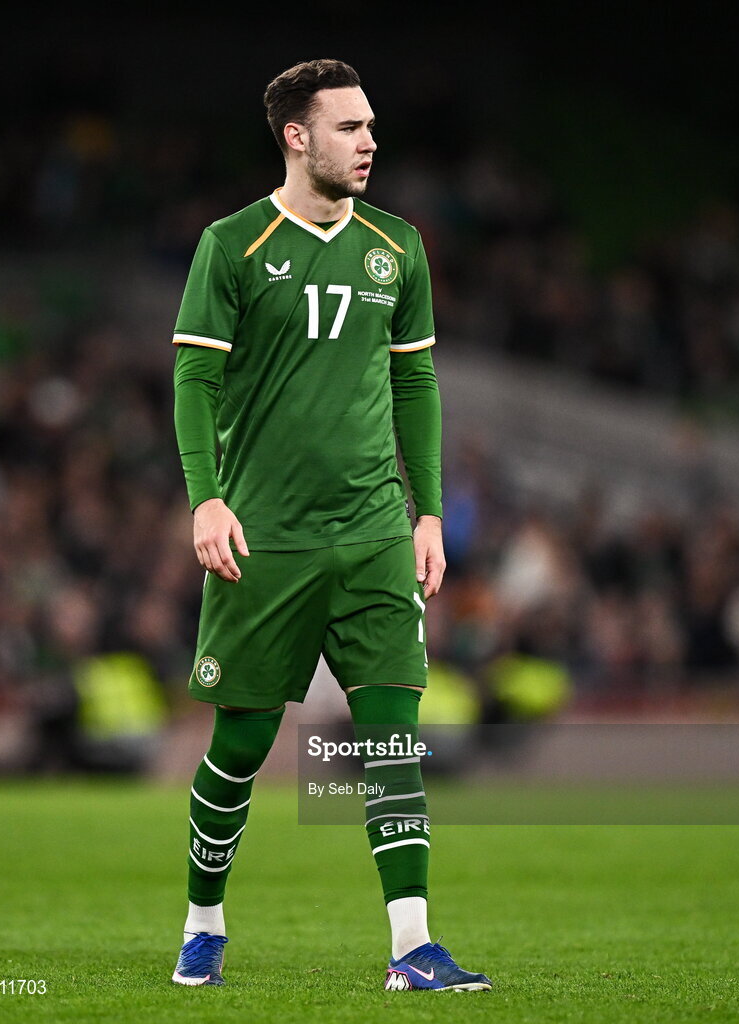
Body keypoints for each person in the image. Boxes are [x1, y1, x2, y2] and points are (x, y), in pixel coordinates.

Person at [169, 58, 491, 993]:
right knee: (239, 745)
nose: (369, 142)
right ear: (295, 138)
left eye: (372, 126)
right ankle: (203, 922)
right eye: (348, 127)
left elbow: (414, 381)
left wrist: (426, 510)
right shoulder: (232, 244)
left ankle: (411, 946)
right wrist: (207, 495)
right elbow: (193, 379)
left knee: (390, 738)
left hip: (373, 534)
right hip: (263, 537)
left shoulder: (398, 245)